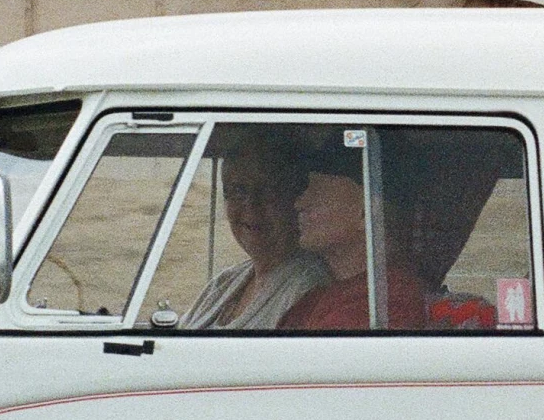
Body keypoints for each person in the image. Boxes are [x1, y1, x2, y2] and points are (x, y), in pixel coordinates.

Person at [181, 136, 329, 329]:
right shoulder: (224, 283)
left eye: (268, 190)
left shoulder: (308, 287)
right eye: (238, 191)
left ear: (297, 198)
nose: (251, 206)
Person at [276, 149, 429, 330]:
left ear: (366, 214)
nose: (299, 204)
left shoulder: (385, 303)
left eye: (318, 192)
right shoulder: (318, 298)